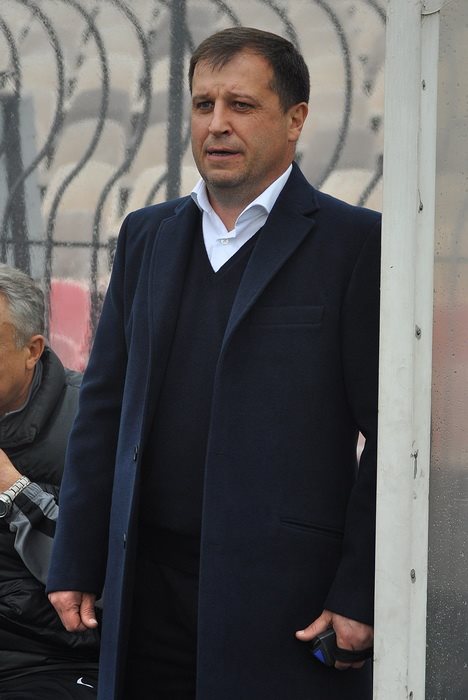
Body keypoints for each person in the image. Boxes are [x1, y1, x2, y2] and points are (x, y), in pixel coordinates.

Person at [47, 27, 380, 700]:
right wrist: (75, 557)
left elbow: (391, 434)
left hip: (285, 603)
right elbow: (104, 408)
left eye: (241, 105)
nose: (217, 124)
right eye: (204, 105)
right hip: (143, 593)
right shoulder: (147, 234)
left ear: (295, 119)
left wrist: (361, 591)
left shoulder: (355, 243)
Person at [0, 263, 99, 698]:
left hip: (54, 658)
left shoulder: (93, 425)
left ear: (32, 349)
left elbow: (105, 569)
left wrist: (14, 489)